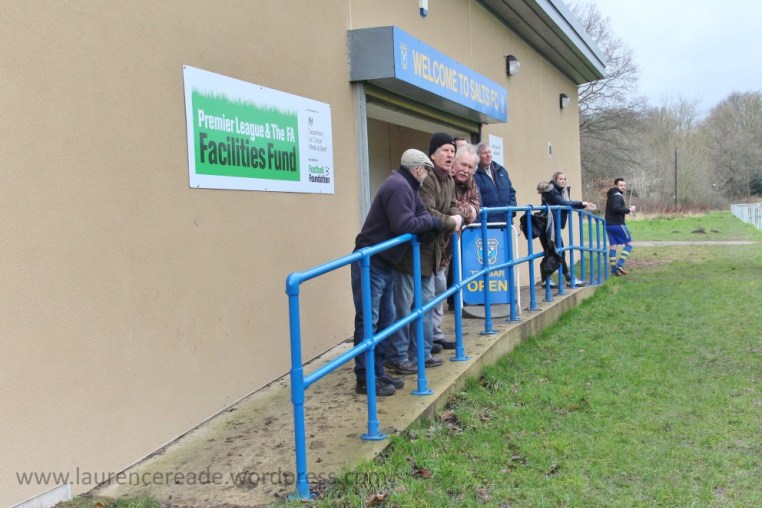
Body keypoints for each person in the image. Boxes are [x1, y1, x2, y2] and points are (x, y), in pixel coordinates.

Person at [351, 149, 442, 396]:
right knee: (369, 321)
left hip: (384, 263)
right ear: (419, 169)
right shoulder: (399, 186)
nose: (427, 175)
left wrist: (426, 223)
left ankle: (378, 372)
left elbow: (421, 215)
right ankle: (365, 378)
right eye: (427, 170)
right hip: (371, 263)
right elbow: (405, 224)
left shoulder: (407, 187)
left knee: (385, 320)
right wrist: (431, 224)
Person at [386, 133, 463, 375]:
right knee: (404, 307)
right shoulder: (425, 179)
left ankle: (421, 353)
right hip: (410, 254)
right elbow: (427, 212)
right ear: (432, 154)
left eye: (452, 151)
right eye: (445, 150)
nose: (450, 155)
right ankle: (399, 356)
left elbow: (451, 206)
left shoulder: (448, 179)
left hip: (432, 254)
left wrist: (457, 216)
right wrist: (452, 222)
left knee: (426, 304)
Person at [433, 143, 480, 350]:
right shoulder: (443, 178)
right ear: (454, 163)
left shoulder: (471, 182)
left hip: (448, 246)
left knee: (439, 289)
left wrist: (460, 214)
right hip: (431, 244)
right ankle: (425, 339)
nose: (465, 170)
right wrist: (462, 213)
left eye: (470, 167)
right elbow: (442, 208)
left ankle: (435, 334)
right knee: (428, 291)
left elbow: (476, 208)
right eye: (463, 165)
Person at [539, 171, 596, 287]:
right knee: (557, 251)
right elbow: (564, 203)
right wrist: (584, 203)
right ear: (555, 180)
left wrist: (583, 205)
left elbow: (566, 203)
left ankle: (551, 280)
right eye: (560, 179)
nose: (563, 181)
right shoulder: (551, 190)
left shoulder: (560, 191)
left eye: (565, 179)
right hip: (547, 225)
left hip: (551, 225)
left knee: (554, 251)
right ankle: (567, 278)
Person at [472, 142, 517, 224]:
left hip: (506, 221)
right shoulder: (474, 174)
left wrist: (512, 211)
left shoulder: (501, 170)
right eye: (484, 153)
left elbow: (511, 192)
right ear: (478, 156)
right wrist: (482, 219)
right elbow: (477, 199)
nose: (488, 155)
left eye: (489, 152)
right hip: (488, 223)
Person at [605, 177, 636, 276]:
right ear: (615, 186)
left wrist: (626, 212)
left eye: (624, 185)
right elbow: (616, 208)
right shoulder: (617, 196)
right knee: (629, 244)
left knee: (613, 247)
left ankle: (614, 271)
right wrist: (629, 210)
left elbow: (614, 209)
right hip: (618, 224)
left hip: (608, 225)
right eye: (621, 185)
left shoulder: (611, 195)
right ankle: (620, 265)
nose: (623, 187)